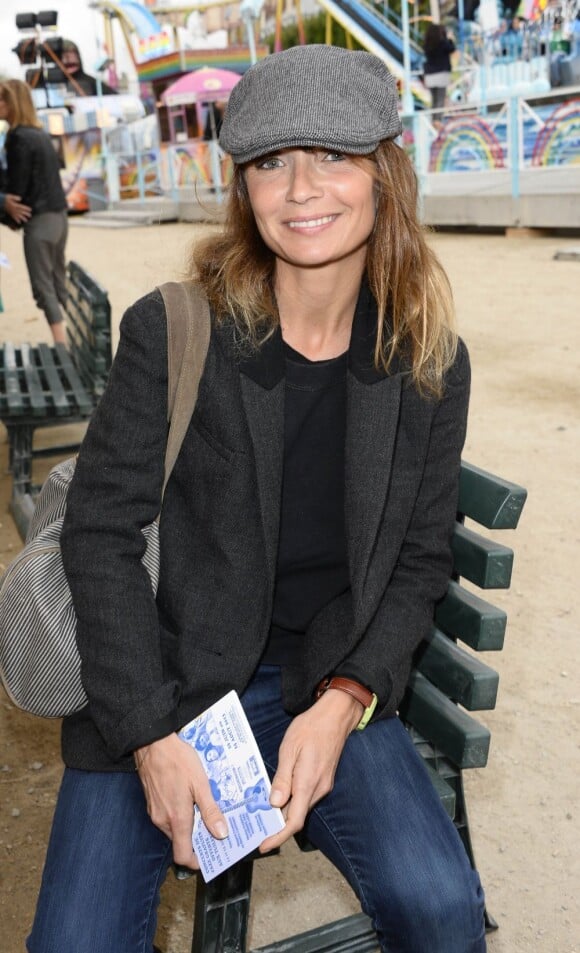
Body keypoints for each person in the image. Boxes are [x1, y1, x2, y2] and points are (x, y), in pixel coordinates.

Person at [27, 45, 486, 953]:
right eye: (271, 161)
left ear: (385, 173)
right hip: (162, 684)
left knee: (443, 912)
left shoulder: (429, 362)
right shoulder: (174, 330)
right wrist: (150, 737)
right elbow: (102, 538)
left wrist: (345, 699)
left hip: (324, 683)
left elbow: (422, 561)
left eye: (334, 155)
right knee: (75, 941)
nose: (301, 187)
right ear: (244, 188)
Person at [0, 79, 69, 344]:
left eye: (1, 100)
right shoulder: (40, 134)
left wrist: (8, 211)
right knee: (59, 284)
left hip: (39, 221)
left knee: (43, 288)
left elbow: (18, 188)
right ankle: (77, 335)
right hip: (59, 218)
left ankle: (62, 345)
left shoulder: (17, 137)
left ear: (12, 103)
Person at [423, 23, 456, 113]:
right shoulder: (442, 43)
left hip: (429, 75)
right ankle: (437, 121)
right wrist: (449, 39)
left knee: (434, 100)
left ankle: (434, 121)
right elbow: (452, 48)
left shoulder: (427, 45)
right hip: (441, 73)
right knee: (440, 99)